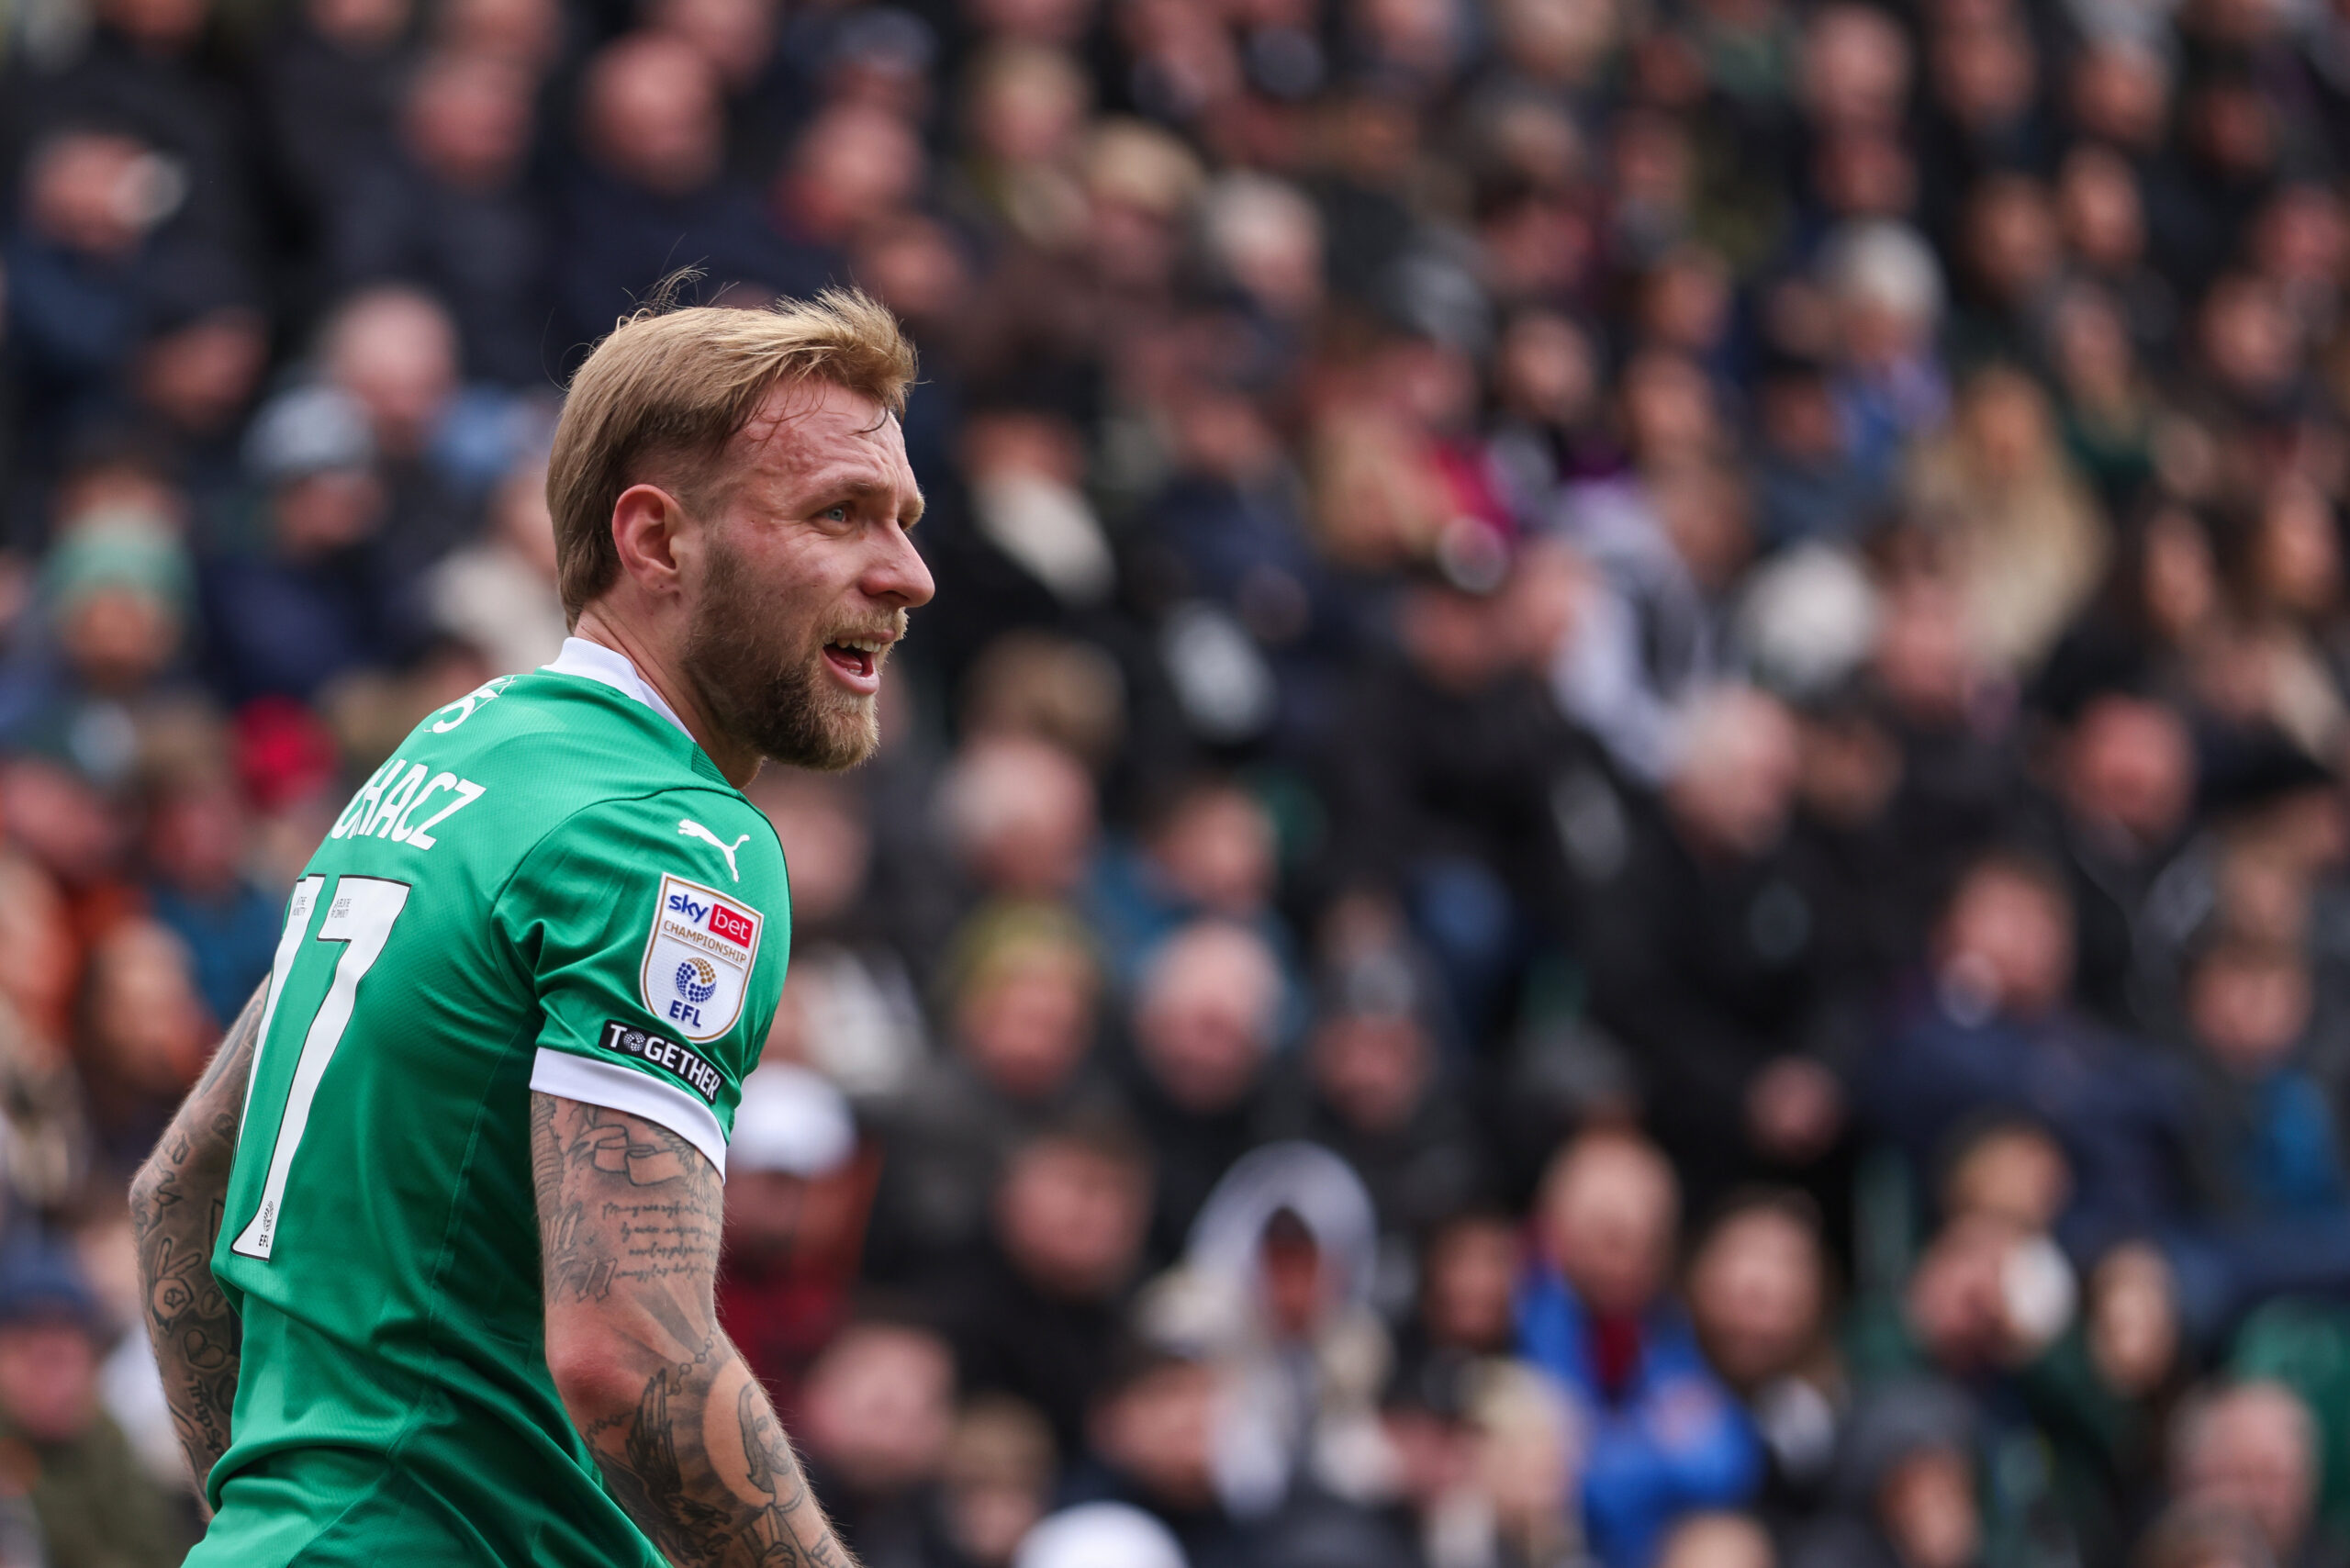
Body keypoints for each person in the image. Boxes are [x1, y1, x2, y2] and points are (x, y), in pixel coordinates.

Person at [129, 288, 933, 1566]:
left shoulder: (458, 756)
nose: (909, 576)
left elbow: (180, 1198)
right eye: (839, 514)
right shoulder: (666, 834)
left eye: (903, 521)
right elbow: (633, 1360)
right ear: (656, 539)